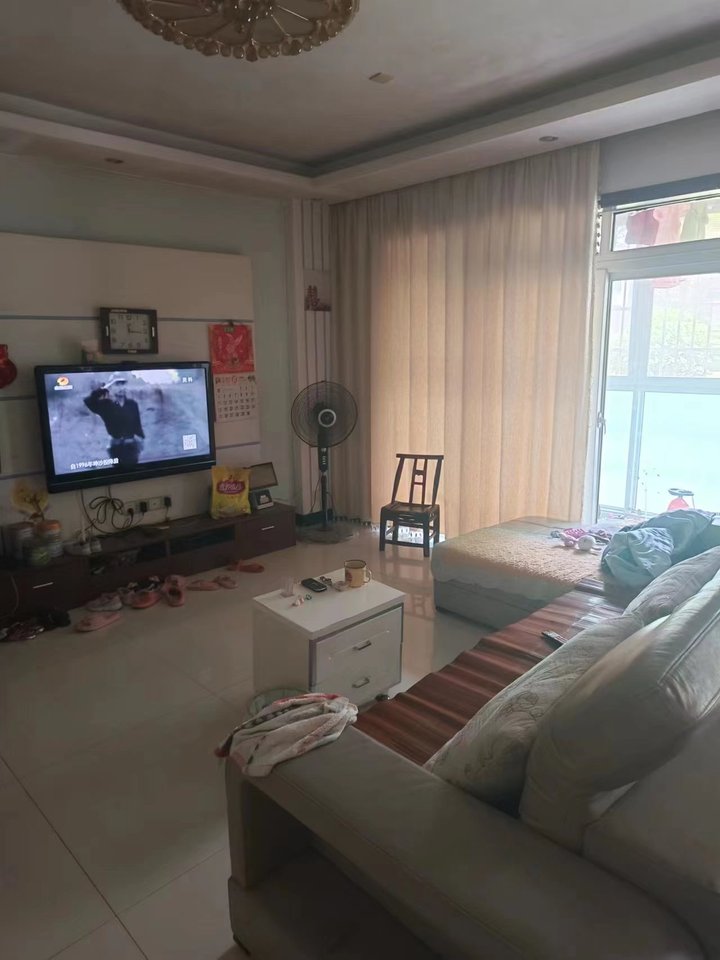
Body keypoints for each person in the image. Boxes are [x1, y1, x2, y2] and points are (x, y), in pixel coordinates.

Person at [84, 377, 145, 467]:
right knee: (119, 472)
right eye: (117, 385)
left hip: (131, 447)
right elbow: (88, 401)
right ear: (111, 387)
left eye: (123, 385)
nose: (121, 388)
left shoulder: (132, 404)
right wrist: (104, 389)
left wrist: (141, 439)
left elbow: (137, 424)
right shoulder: (106, 405)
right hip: (115, 448)